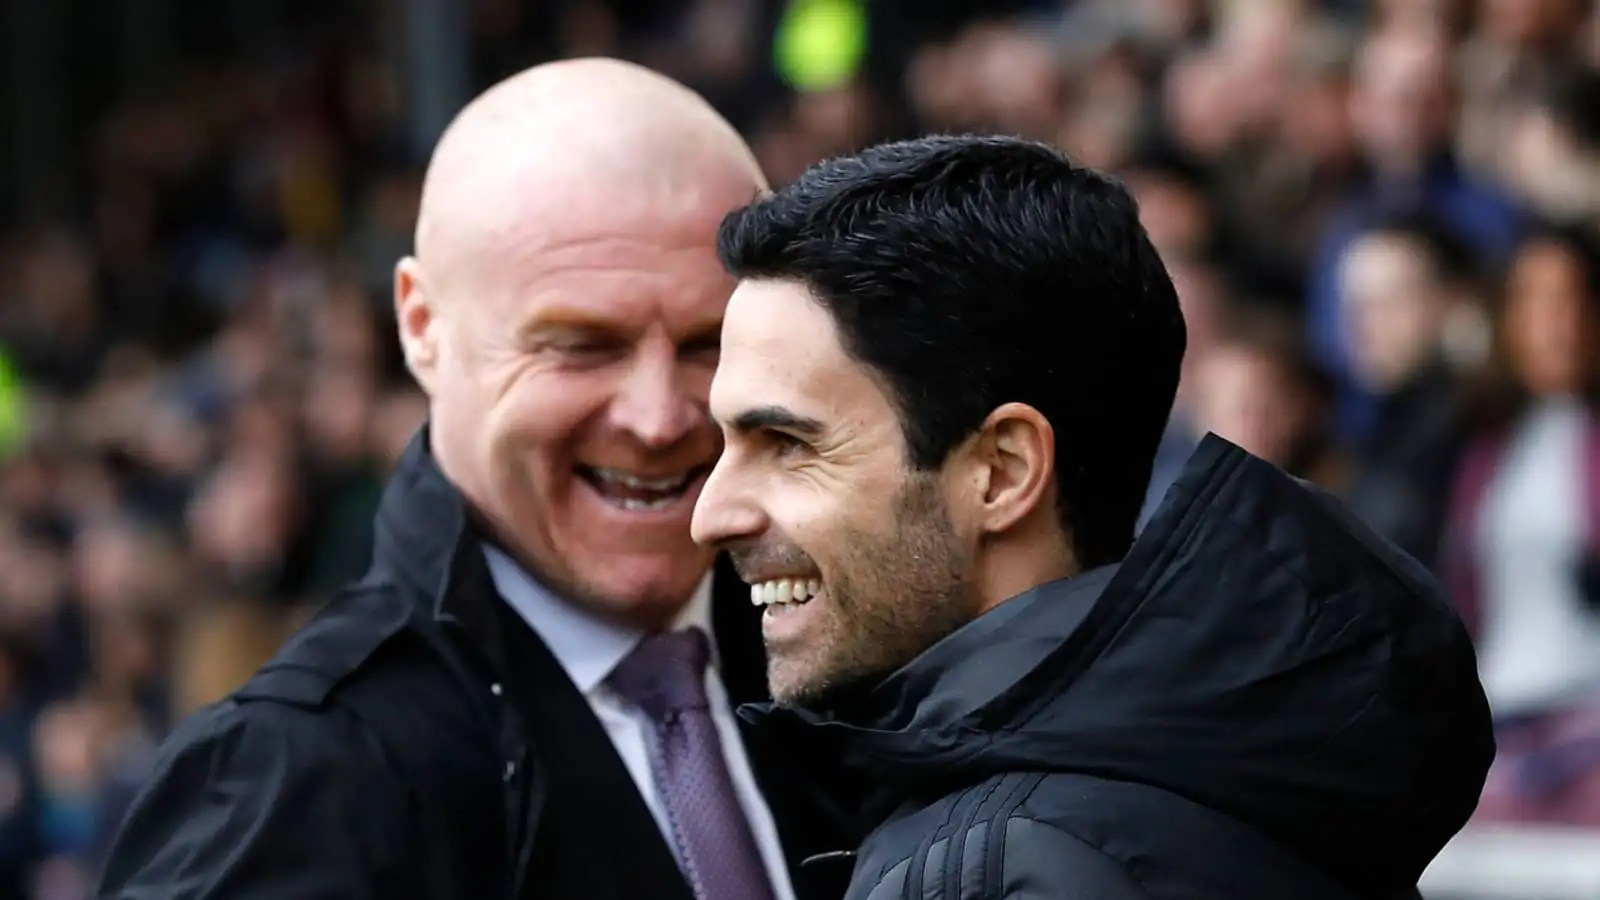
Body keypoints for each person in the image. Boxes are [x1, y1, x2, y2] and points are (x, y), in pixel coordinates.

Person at [95, 59, 858, 900]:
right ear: (422, 329)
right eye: (581, 345)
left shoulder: (862, 676)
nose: (659, 417)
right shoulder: (296, 784)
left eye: (707, 343)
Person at [692, 134, 1495, 900]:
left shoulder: (1002, 872)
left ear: (1002, 473)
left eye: (789, 444)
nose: (712, 514)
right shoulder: (1236, 777)